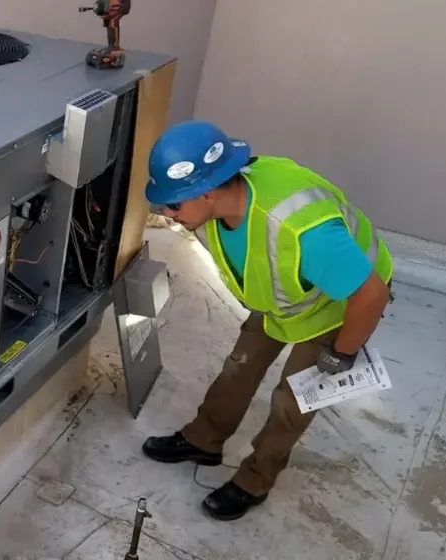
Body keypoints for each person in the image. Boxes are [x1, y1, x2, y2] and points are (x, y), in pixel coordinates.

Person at [140, 120, 394, 521]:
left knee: (293, 401)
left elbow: (372, 295)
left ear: (207, 193)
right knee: (239, 366)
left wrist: (341, 354)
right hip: (287, 298)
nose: (166, 212)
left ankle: (255, 479)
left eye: (173, 204)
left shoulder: (301, 232)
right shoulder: (221, 208)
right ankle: (204, 440)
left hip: (339, 306)